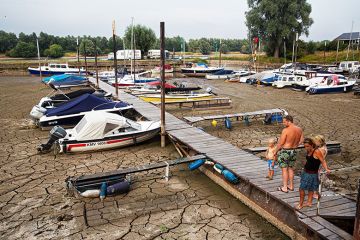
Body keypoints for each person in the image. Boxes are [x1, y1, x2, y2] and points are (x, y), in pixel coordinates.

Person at [296, 138, 330, 209]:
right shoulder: (309, 151)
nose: (306, 148)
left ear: (312, 145)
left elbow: (323, 161)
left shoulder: (317, 151)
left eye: (307, 146)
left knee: (302, 189)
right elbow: (309, 161)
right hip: (306, 172)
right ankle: (309, 202)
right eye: (305, 146)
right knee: (310, 188)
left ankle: (301, 204)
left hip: (312, 174)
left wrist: (326, 169)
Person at [274, 115, 304, 193]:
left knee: (284, 169)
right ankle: (291, 185)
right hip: (293, 151)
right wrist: (296, 145)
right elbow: (302, 140)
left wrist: (276, 151)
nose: (283, 123)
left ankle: (284, 187)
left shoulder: (286, 130)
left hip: (285, 151)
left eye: (284, 122)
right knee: (290, 168)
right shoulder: (299, 129)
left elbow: (281, 143)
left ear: (288, 121)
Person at [312, 135, 328, 199]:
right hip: (319, 165)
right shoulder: (324, 147)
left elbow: (319, 159)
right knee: (318, 179)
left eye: (316, 141)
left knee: (317, 179)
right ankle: (315, 192)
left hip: (318, 166)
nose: (315, 142)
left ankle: (315, 193)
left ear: (320, 142)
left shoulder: (321, 150)